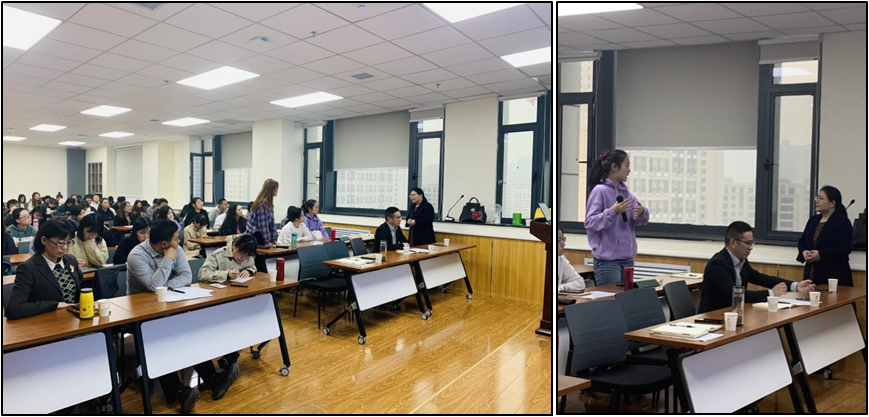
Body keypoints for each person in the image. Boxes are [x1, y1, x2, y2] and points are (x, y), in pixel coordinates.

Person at [126, 219, 237, 413]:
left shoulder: (175, 248)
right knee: (158, 339)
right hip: (140, 312)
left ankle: (213, 380)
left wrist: (166, 287)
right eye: (176, 239)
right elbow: (153, 286)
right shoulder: (137, 255)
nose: (179, 242)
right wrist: (168, 260)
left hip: (169, 304)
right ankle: (179, 392)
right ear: (164, 244)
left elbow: (186, 276)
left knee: (187, 332)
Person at [699, 221, 816, 314]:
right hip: (714, 316)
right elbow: (735, 294)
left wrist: (795, 286)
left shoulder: (741, 261)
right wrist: (771, 293)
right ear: (733, 242)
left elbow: (761, 278)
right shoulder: (718, 264)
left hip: (734, 313)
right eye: (747, 243)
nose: (750, 247)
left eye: (752, 243)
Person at [584, 150, 650, 285]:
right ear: (614, 167)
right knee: (610, 297)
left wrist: (642, 212)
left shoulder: (626, 193)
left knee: (625, 297)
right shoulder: (600, 191)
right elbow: (590, 222)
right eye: (627, 165)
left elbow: (640, 220)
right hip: (607, 262)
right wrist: (613, 211)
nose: (629, 170)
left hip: (627, 259)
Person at [6, 219, 83, 320]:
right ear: (44, 240)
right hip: (44, 322)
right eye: (60, 243)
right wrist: (54, 305)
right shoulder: (28, 268)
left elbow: (79, 288)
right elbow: (14, 309)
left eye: (68, 243)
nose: (65, 248)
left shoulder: (70, 260)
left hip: (72, 319)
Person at [797, 186, 854, 287]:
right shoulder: (813, 220)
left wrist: (821, 254)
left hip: (833, 273)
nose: (817, 201)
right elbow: (802, 241)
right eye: (817, 198)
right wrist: (804, 251)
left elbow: (845, 247)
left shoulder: (842, 222)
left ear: (832, 203)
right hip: (811, 273)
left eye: (821, 198)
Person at [557, 227, 585, 292]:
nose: (563, 244)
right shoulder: (541, 260)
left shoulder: (561, 259)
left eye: (563, 239)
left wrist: (562, 287)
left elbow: (580, 283)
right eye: (558, 240)